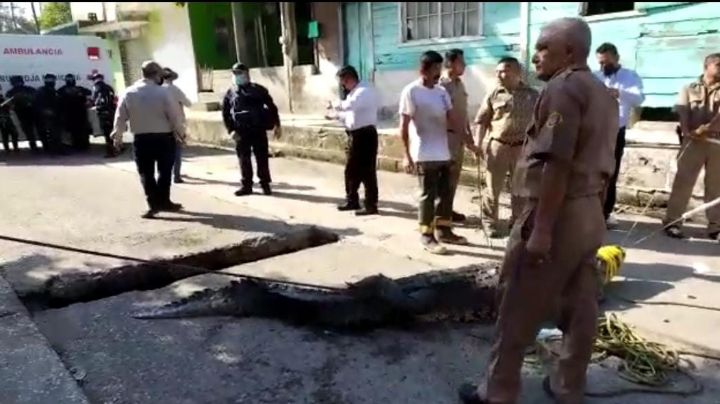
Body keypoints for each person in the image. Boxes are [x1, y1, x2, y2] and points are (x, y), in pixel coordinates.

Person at [459, 18, 617, 403]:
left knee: (518, 299)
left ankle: (498, 390)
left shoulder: (563, 89)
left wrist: (542, 229)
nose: (536, 55)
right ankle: (568, 385)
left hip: (556, 212)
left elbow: (555, 163)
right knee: (581, 304)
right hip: (589, 213)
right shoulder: (602, 92)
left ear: (569, 52)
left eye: (545, 47)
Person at [399, 50, 477, 255]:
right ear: (423, 69)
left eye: (438, 68)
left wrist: (468, 142)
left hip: (443, 151)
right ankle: (426, 235)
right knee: (427, 195)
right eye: (433, 68)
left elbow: (453, 119)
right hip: (423, 153)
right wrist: (406, 155)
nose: (437, 73)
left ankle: (444, 230)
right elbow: (404, 126)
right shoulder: (411, 91)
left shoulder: (441, 92)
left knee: (445, 194)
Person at [111, 61, 185, 219]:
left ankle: (153, 204)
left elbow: (120, 117)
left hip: (141, 139)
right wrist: (181, 134)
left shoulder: (129, 92)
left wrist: (117, 137)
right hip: (164, 138)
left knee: (146, 173)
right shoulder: (163, 93)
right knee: (164, 172)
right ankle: (164, 201)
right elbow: (174, 116)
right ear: (157, 75)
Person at [475, 56, 539, 237]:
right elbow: (481, 121)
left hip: (522, 148)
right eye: (498, 71)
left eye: (504, 70)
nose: (500, 75)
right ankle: (490, 223)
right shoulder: (494, 94)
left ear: (517, 72)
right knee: (492, 189)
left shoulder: (533, 95)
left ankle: (517, 223)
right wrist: (478, 144)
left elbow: (541, 123)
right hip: (498, 147)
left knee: (520, 190)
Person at [663, 53, 720, 242]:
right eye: (718, 65)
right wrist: (687, 131)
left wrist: (706, 128)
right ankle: (673, 223)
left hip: (716, 142)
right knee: (683, 183)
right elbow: (682, 110)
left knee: (715, 187)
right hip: (693, 142)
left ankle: (715, 227)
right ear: (707, 66)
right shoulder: (689, 88)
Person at [593, 42, 645, 227]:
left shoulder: (630, 76)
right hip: (594, 131)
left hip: (616, 132)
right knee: (590, 172)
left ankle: (604, 214)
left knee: (610, 174)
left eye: (607, 63)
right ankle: (587, 213)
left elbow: (639, 99)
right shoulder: (595, 76)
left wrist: (619, 93)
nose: (603, 67)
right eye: (600, 63)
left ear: (617, 58)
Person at [326, 65, 380, 216]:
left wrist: (334, 104)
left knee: (367, 171)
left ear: (349, 78)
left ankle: (370, 205)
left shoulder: (364, 91)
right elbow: (350, 115)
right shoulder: (354, 92)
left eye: (344, 82)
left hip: (365, 135)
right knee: (351, 170)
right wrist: (334, 116)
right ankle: (352, 200)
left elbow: (350, 106)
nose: (343, 85)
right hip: (355, 135)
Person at [222, 62, 281, 196]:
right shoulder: (231, 92)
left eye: (240, 73)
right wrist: (230, 130)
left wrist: (277, 124)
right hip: (240, 131)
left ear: (247, 74)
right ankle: (246, 185)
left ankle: (265, 184)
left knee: (262, 158)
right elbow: (225, 113)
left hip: (258, 129)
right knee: (244, 159)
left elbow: (272, 107)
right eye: (235, 73)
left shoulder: (258, 90)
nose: (238, 76)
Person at [439, 49, 476, 224]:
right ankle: (439, 216)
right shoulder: (441, 85)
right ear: (450, 64)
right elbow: (445, 115)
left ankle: (447, 210)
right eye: (461, 61)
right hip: (446, 137)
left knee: (453, 178)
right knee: (443, 179)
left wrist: (468, 133)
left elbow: (463, 111)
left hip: (459, 137)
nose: (465, 65)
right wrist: (463, 135)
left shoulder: (460, 84)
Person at [162, 67, 193, 183]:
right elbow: (188, 103)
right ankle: (177, 175)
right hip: (176, 123)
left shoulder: (157, 90)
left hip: (160, 125)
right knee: (176, 151)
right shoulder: (174, 90)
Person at [58, 73, 92, 152]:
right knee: (80, 131)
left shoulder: (62, 90)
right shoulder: (79, 89)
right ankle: (82, 145)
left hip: (71, 115)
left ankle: (78, 145)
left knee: (74, 131)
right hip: (79, 115)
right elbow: (89, 92)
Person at [33, 74, 64, 155]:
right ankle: (51, 150)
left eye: (52, 80)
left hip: (55, 115)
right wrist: (45, 111)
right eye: (49, 80)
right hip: (46, 116)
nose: (52, 82)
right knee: (50, 134)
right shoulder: (41, 90)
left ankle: (56, 149)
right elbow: (38, 103)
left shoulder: (53, 90)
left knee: (56, 133)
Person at [5, 76, 37, 152]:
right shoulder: (11, 92)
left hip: (34, 112)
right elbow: (9, 104)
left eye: (18, 82)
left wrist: (28, 99)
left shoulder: (29, 89)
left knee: (35, 130)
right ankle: (33, 145)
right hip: (22, 113)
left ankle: (39, 145)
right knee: (28, 130)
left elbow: (36, 98)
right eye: (16, 82)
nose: (17, 84)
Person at [90, 73, 118, 158]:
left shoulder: (97, 87)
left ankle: (111, 152)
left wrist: (94, 104)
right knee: (112, 131)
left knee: (107, 133)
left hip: (103, 112)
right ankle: (117, 148)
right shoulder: (109, 87)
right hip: (111, 112)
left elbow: (95, 99)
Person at [0, 85, 19, 153]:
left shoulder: (3, 98)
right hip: (2, 119)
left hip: (7, 117)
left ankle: (14, 148)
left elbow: (11, 107)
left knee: (13, 133)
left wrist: (9, 104)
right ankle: (8, 149)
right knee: (6, 133)